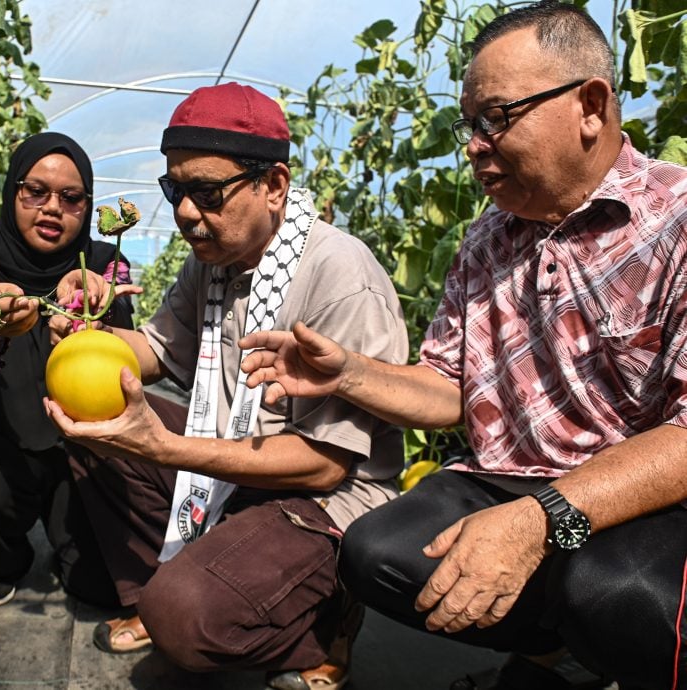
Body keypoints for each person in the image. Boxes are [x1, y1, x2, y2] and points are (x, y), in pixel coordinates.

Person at [238, 3, 687, 689]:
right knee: (374, 550)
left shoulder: (677, 223)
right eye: (468, 125)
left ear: (590, 106)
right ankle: (558, 655)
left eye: (495, 118)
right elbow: (450, 387)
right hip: (517, 484)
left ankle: (603, 642)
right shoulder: (488, 240)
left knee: (617, 593)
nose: (474, 144)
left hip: (642, 507)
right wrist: (348, 373)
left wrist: (542, 520)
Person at [44, 82, 408, 689]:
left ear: (274, 186)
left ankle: (326, 618)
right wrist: (89, 334)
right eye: (176, 190)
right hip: (237, 463)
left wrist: (164, 449)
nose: (186, 212)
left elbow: (322, 468)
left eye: (207, 192)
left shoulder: (339, 276)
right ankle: (155, 591)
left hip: (321, 502)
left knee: (186, 619)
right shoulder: (212, 259)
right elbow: (157, 350)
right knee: (93, 424)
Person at [0, 132, 134, 607]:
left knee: (94, 582)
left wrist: (90, 304)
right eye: (35, 191)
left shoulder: (103, 263)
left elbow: (120, 335)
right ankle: (2, 548)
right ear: (12, 192)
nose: (52, 207)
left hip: (79, 439)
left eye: (70, 197)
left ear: (87, 203)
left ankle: (69, 542)